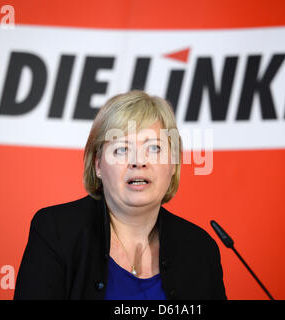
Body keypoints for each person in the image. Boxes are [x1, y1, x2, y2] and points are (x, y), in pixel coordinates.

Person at [14, 90, 226, 300]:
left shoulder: (200, 249)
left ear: (172, 164)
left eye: (153, 148)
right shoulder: (56, 232)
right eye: (122, 149)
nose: (138, 162)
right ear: (98, 165)